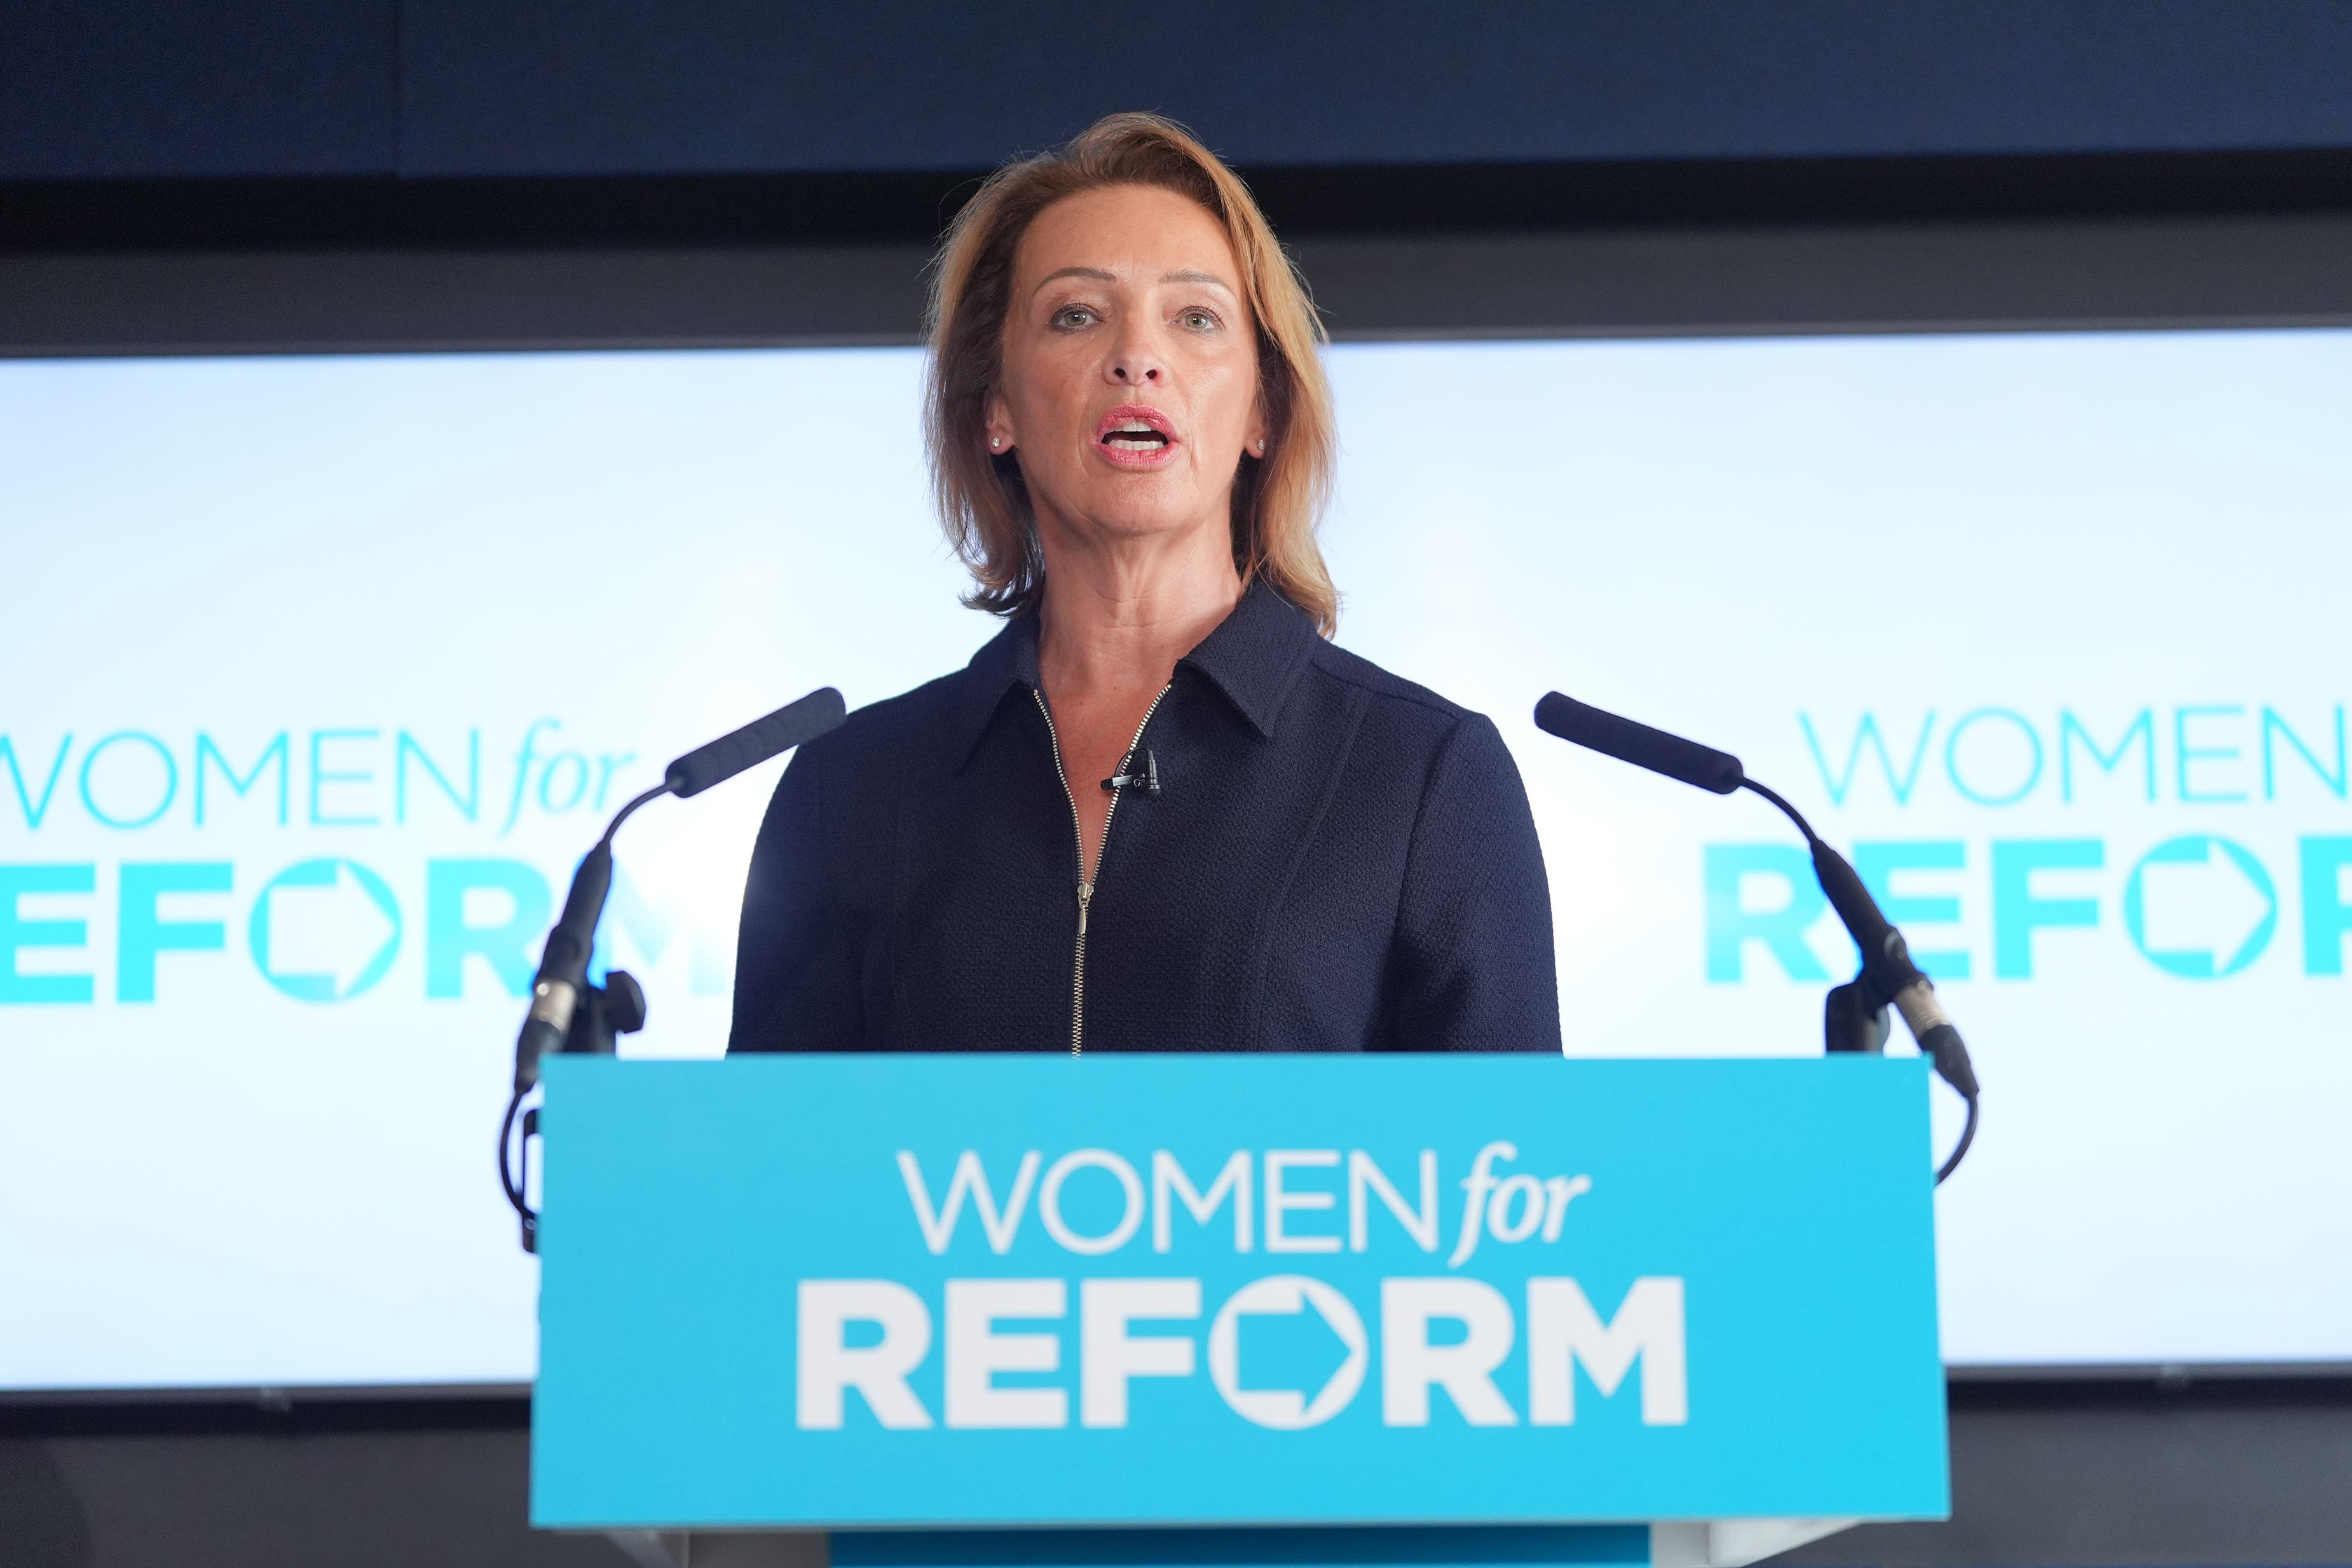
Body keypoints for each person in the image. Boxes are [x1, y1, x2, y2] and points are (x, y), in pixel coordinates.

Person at [729, 113, 1558, 1055]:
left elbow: (1507, 1187)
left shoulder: (1424, 778)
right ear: (995, 407)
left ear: (1261, 410)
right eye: (1076, 315)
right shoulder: (850, 790)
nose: (1138, 356)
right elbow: (770, 1183)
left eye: (1196, 318)